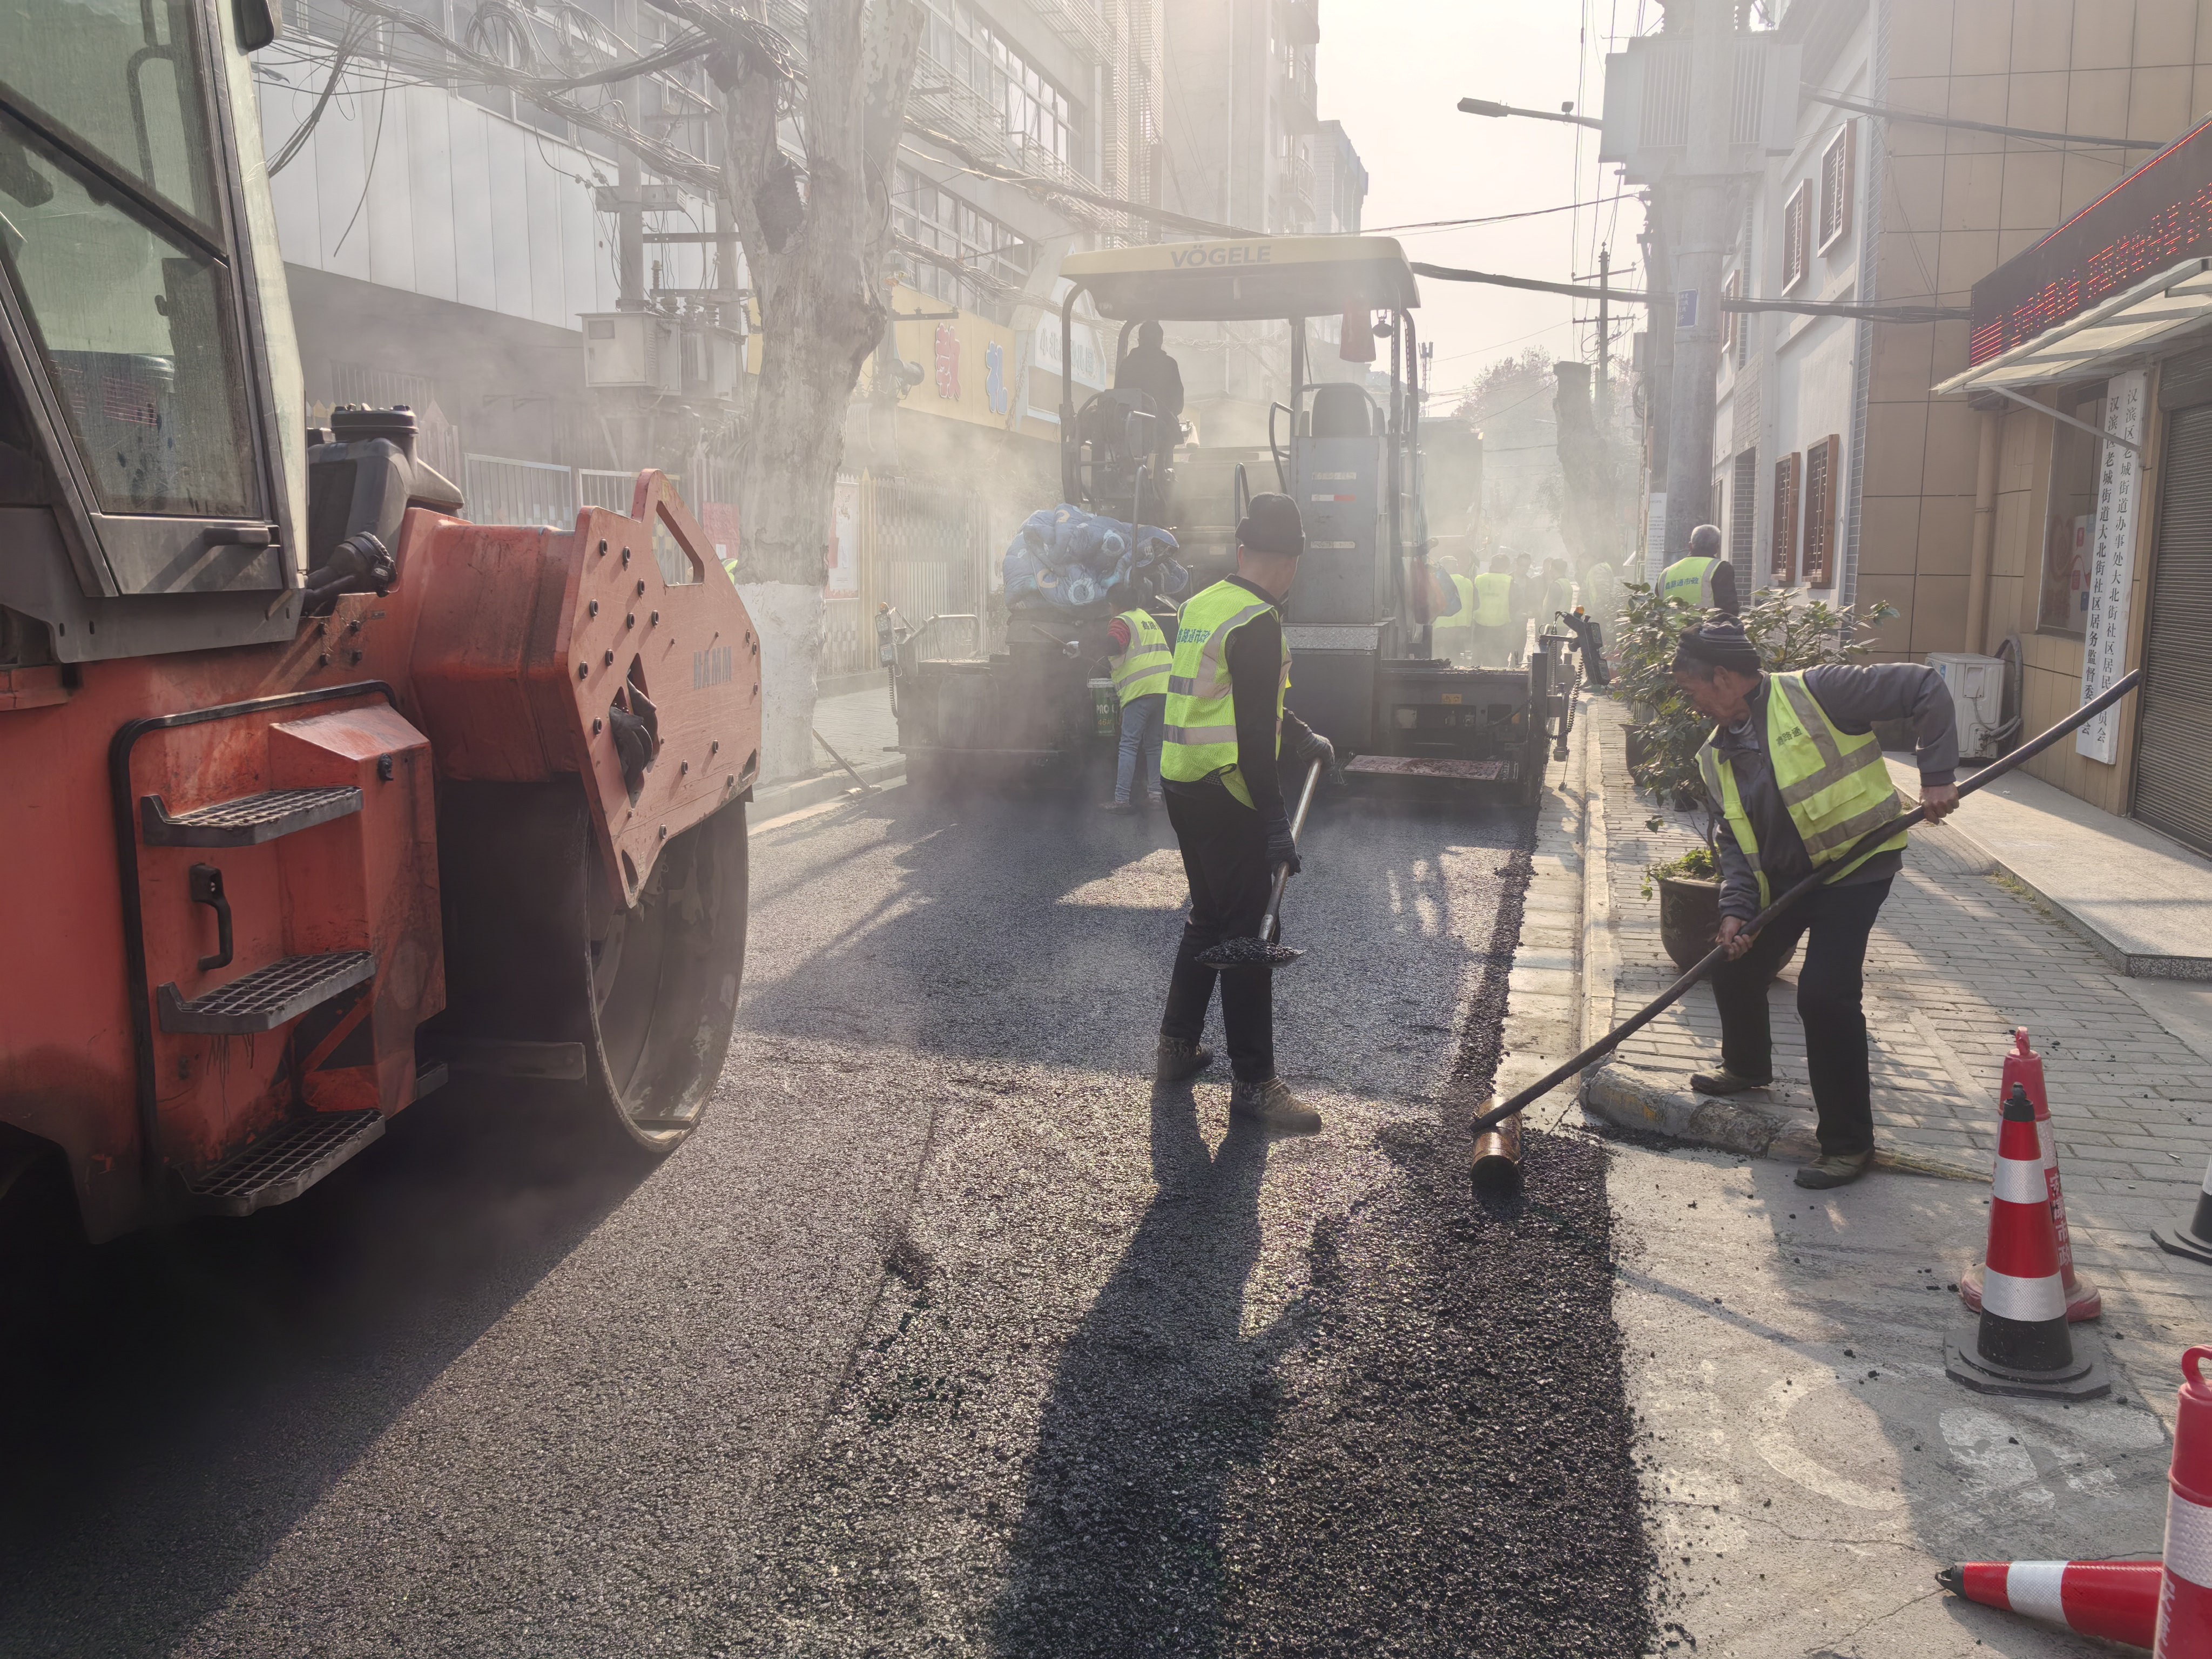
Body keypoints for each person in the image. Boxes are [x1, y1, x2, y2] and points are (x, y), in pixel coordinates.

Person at [1673, 618, 1960, 1190]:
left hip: (1854, 870)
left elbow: (1924, 686)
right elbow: (1735, 842)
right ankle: (1746, 1066)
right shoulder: (1716, 755)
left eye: (1692, 688)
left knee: (1825, 996)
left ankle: (1848, 1145)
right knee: (1733, 961)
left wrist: (1937, 776)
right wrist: (1737, 909)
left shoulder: (1818, 692)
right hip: (1786, 880)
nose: (1691, 702)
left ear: (1724, 677)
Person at [1156, 492, 1333, 1132]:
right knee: (1251, 939)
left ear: (1241, 551)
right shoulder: (1259, 621)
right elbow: (1255, 737)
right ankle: (1255, 1085)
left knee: (1208, 918)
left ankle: (1176, 1048)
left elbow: (1230, 699)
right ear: (1290, 563)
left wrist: (1302, 733)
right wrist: (1275, 825)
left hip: (1181, 782)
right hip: (1229, 794)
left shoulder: (1202, 605)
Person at [1101, 604, 1172, 811]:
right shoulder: (1145, 618)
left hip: (1141, 689)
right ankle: (1155, 796)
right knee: (1155, 745)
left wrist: (1083, 646)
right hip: (1164, 687)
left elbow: (1114, 645)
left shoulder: (1121, 621)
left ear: (1114, 605)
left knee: (1129, 745)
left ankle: (1121, 800)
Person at [1114, 320, 1184, 428]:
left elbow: (1116, 397)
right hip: (1160, 430)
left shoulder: (1127, 364)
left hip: (1125, 428)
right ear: (1160, 342)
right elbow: (1178, 404)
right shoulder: (1170, 365)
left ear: (1139, 341)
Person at [1661, 522, 1741, 616]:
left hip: (1670, 626)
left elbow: (1657, 610)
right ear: (1717, 548)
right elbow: (1729, 611)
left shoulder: (1666, 574)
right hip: (1706, 626)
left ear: (1690, 546)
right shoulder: (1721, 568)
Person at [1428, 556, 1478, 663]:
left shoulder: (1437, 581)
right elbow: (1476, 604)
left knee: (1440, 657)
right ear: (1457, 567)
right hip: (1461, 627)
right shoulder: (1468, 582)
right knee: (1456, 657)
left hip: (1441, 626)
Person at [1470, 554, 1516, 667]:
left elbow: (1472, 601)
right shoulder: (1510, 581)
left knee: (1477, 660)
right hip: (1501, 627)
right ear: (1506, 567)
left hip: (1480, 626)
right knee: (1499, 661)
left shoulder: (1478, 580)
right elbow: (1516, 604)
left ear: (1491, 564)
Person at [1507, 551, 1537, 665]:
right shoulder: (1507, 579)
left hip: (1522, 622)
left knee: (1518, 653)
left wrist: (1531, 611)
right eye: (1522, 565)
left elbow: (1534, 601)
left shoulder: (1531, 583)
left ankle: (1515, 671)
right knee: (1504, 652)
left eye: (1527, 566)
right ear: (1516, 564)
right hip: (1507, 622)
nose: (1524, 569)